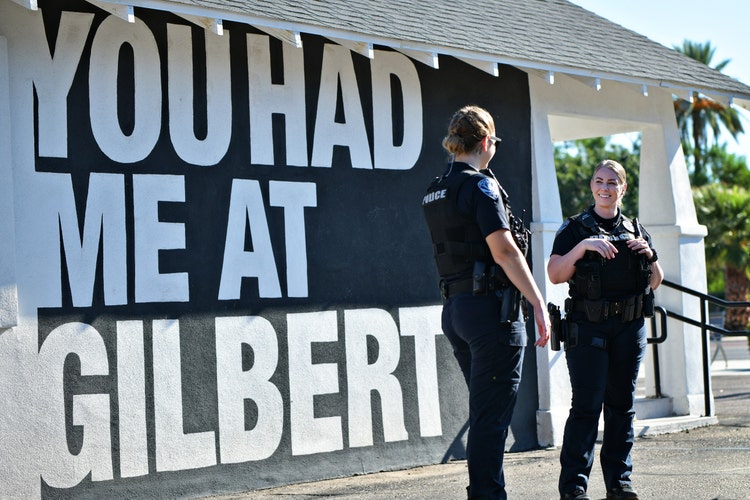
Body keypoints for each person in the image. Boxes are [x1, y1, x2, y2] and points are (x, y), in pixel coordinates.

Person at [422, 105, 550, 499]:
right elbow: (505, 251)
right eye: (493, 141)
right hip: (491, 312)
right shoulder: (481, 185)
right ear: (483, 142)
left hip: (457, 310)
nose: (494, 147)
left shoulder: (435, 189)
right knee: (491, 418)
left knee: (484, 412)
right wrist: (539, 303)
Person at [547, 159, 664, 500]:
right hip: (587, 328)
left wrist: (650, 254)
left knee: (621, 406)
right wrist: (584, 247)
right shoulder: (574, 229)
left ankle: (619, 483)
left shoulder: (636, 229)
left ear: (623, 188)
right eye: (599, 180)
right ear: (591, 187)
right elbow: (555, 273)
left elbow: (655, 281)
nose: (605, 187)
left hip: (628, 328)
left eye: (612, 182)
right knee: (586, 407)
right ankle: (573, 488)